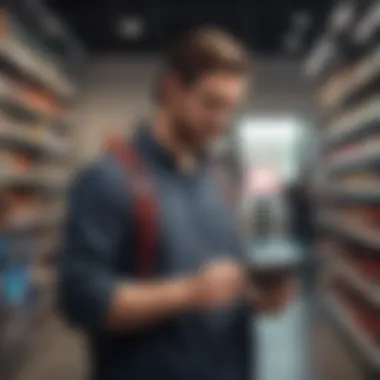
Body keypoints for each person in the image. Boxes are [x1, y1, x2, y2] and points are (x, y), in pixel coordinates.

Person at [58, 26, 293, 380]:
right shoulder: (109, 180)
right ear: (171, 89)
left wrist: (255, 297)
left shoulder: (217, 181)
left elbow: (223, 286)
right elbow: (80, 299)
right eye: (211, 103)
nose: (220, 122)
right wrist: (189, 292)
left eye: (230, 108)